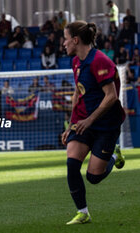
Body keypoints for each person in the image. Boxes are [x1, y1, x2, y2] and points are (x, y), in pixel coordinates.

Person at [61, 20, 125, 225]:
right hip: (83, 122)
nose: (64, 43)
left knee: (94, 177)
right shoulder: (76, 62)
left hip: (106, 125)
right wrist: (72, 123)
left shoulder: (100, 61)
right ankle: (83, 212)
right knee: (72, 163)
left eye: (66, 38)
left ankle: (114, 154)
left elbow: (111, 96)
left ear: (76, 40)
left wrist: (89, 120)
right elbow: (77, 93)